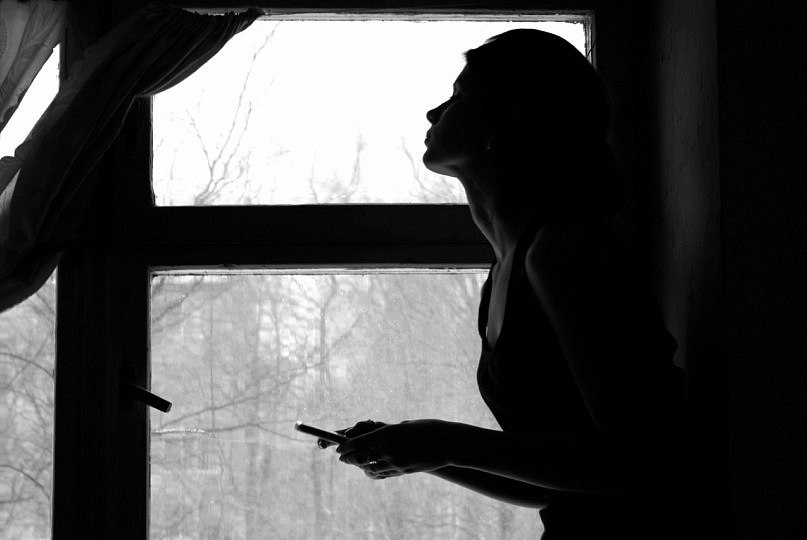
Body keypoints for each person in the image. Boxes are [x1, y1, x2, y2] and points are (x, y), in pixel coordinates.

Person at [322, 29, 685, 539]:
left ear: (504, 120)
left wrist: (445, 442)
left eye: (458, 96)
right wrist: (418, 451)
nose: (433, 113)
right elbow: (554, 489)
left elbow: (637, 462)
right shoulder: (505, 272)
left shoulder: (561, 250)